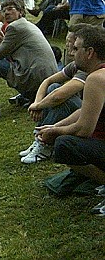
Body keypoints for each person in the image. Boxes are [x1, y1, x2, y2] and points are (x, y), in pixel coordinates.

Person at [37, 24, 105, 215]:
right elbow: (85, 110)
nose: (72, 53)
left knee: (65, 145)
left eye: (76, 49)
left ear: (90, 52)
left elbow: (84, 129)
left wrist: (54, 132)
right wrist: (55, 125)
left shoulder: (96, 79)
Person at [0, 0, 59, 124]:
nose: (6, 13)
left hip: (35, 76)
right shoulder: (25, 24)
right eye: (4, 10)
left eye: (10, 9)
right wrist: (2, 40)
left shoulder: (14, 27)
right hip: (46, 76)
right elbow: (11, 51)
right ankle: (29, 96)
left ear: (20, 12)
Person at [19, 29, 85, 164]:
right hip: (82, 111)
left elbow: (59, 97)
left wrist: (38, 105)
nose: (68, 47)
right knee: (53, 87)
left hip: (89, 115)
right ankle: (41, 136)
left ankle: (45, 143)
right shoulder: (75, 65)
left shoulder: (87, 69)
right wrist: (37, 103)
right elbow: (47, 81)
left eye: (72, 44)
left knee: (63, 99)